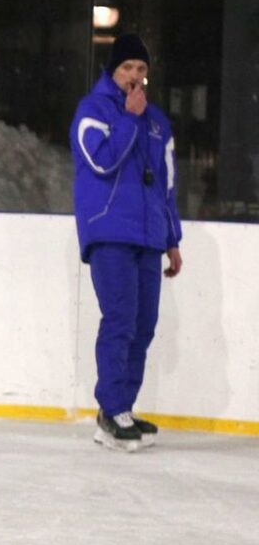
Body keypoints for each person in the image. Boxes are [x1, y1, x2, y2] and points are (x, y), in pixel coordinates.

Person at [71, 32, 183, 451]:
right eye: (127, 69)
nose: (134, 77)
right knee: (119, 320)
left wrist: (172, 238)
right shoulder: (93, 111)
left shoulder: (157, 122)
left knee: (143, 325)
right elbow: (101, 159)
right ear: (113, 71)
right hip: (109, 232)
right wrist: (129, 118)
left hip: (149, 236)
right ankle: (111, 409)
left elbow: (166, 186)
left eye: (141, 70)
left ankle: (122, 409)